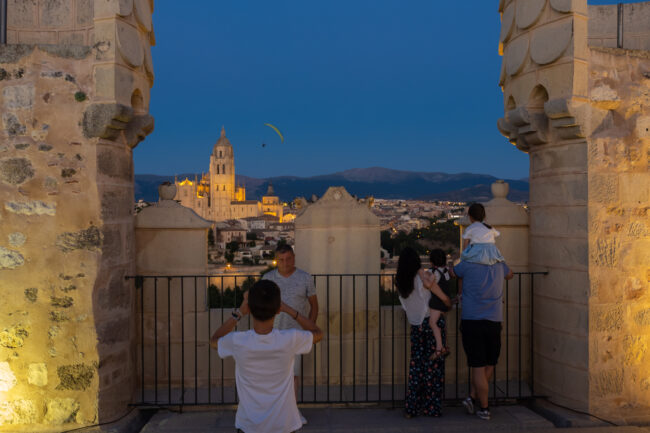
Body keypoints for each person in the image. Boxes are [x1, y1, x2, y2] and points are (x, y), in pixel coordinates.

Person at [210, 280, 323, 433]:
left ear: (249, 308)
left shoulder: (238, 341)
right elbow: (318, 333)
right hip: (284, 425)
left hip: (249, 426)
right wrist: (289, 310)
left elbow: (214, 340)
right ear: (278, 310)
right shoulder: (289, 339)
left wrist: (240, 312)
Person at [454, 249, 514, 421]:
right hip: (494, 320)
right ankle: (472, 398)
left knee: (478, 366)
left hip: (472, 319)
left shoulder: (467, 264)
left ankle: (484, 407)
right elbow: (510, 274)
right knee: (490, 362)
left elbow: (454, 272)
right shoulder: (499, 265)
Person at [262, 244, 318, 422]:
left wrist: (309, 330)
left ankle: (292, 413)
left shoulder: (305, 278)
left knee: (293, 376)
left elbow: (314, 306)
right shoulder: (267, 278)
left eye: (289, 259)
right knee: (273, 376)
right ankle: (275, 412)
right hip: (272, 334)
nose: (285, 263)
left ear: (294, 258)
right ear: (276, 260)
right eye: (281, 259)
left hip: (295, 335)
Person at [396, 247, 451, 418]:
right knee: (433, 370)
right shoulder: (421, 279)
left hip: (415, 326)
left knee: (416, 368)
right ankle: (431, 408)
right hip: (430, 323)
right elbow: (442, 296)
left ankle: (412, 408)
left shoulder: (400, 282)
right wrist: (448, 302)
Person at [427, 249, 452, 359]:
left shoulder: (434, 272)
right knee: (443, 324)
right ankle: (445, 345)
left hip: (437, 303)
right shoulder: (446, 271)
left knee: (432, 323)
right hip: (445, 302)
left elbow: (430, 284)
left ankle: (439, 348)